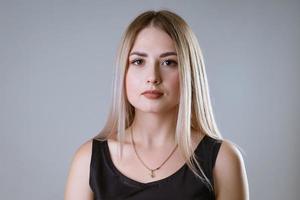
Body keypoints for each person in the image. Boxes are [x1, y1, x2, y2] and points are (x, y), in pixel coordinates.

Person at [64, 9, 249, 200]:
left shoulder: (223, 160)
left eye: (169, 62)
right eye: (138, 61)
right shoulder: (87, 160)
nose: (152, 77)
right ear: (123, 72)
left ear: (190, 73)